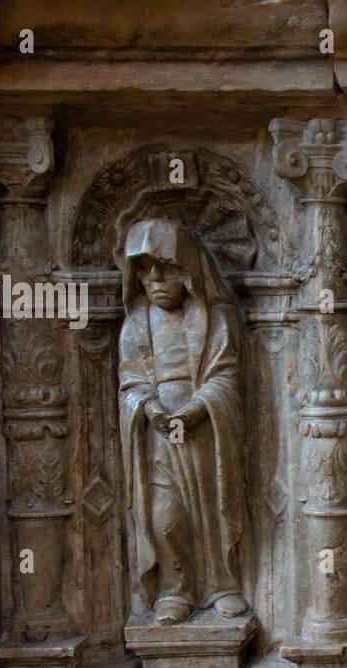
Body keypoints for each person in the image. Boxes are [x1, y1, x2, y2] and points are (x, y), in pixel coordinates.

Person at [118, 219, 248, 625]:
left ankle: (220, 584)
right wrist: (148, 405)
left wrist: (196, 408)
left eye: (165, 266)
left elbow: (225, 375)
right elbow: (131, 378)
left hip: (205, 429)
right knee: (165, 514)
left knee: (211, 507)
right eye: (144, 268)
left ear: (188, 270)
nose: (154, 277)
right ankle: (175, 590)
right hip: (159, 435)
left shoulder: (215, 318)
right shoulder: (137, 322)